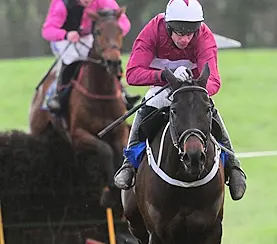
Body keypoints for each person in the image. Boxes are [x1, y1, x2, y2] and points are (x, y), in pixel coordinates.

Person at [112, 0, 247, 201]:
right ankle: (129, 164)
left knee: (210, 111)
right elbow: (132, 73)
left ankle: (233, 165)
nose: (185, 39)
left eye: (190, 32)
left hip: (193, 89)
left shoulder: (204, 36)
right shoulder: (152, 30)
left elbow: (214, 80)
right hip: (163, 86)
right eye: (179, 32)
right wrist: (165, 76)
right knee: (145, 109)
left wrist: (194, 90)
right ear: (167, 26)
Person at [41, 0, 140, 113]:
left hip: (90, 36)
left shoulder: (105, 2)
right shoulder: (62, 3)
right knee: (72, 57)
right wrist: (66, 34)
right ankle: (58, 95)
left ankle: (122, 93)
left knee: (106, 56)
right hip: (63, 39)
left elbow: (124, 22)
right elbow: (47, 31)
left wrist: (112, 31)